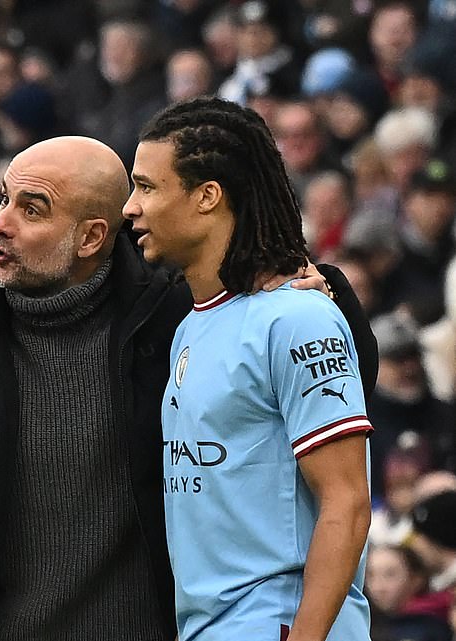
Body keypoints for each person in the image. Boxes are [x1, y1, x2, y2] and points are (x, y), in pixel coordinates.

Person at [0, 135, 376, 640]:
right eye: (3, 200)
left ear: (92, 236)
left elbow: (342, 382)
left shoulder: (173, 310)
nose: (1, 224)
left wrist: (327, 294)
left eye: (32, 208)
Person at [123, 96, 373, 641]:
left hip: (278, 621)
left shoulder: (298, 316)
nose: (129, 208)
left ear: (207, 195)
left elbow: (347, 502)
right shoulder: (191, 326)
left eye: (146, 186)